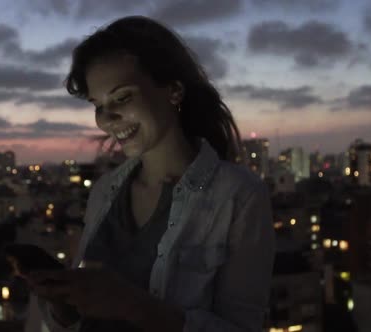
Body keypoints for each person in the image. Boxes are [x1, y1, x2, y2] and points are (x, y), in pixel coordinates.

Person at [25, 15, 276, 332]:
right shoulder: (105, 192)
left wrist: (134, 306)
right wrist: (62, 304)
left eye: (122, 97)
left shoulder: (238, 196)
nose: (107, 118)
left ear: (173, 90)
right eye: (97, 104)